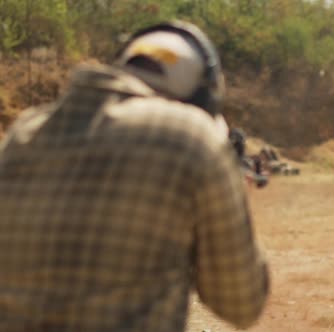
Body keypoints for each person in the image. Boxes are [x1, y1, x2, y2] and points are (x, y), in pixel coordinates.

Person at [0, 21, 269, 331]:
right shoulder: (190, 135)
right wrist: (231, 200)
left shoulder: (23, 133)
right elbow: (242, 303)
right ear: (199, 96)